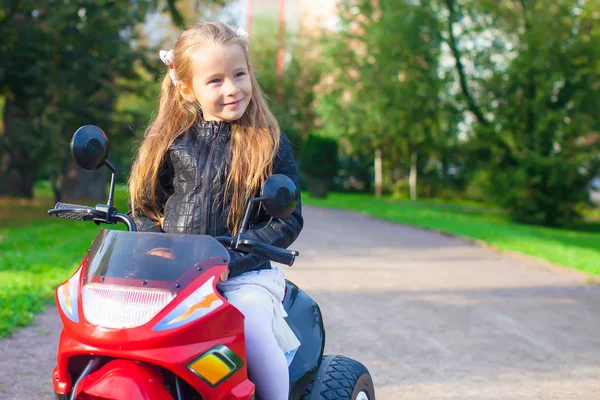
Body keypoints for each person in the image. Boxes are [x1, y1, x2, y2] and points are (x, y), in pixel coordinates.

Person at [127, 21, 303, 400]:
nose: (232, 88)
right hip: (175, 272)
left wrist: (235, 255)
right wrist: (152, 244)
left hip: (243, 274)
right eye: (216, 80)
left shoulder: (269, 143)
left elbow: (286, 217)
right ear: (187, 88)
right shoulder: (170, 143)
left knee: (252, 327)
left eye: (239, 74)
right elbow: (143, 206)